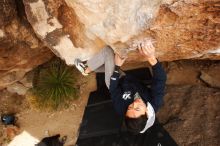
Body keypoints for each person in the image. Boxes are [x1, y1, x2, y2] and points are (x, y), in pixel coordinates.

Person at [74, 41, 166, 134]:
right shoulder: (155, 101)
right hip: (126, 80)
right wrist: (151, 58)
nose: (134, 103)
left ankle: (86, 69)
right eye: (137, 108)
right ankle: (94, 65)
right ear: (147, 113)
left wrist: (117, 67)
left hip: (114, 83)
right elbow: (160, 80)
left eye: (130, 107)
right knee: (107, 62)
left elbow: (113, 90)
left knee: (108, 51)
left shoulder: (121, 109)